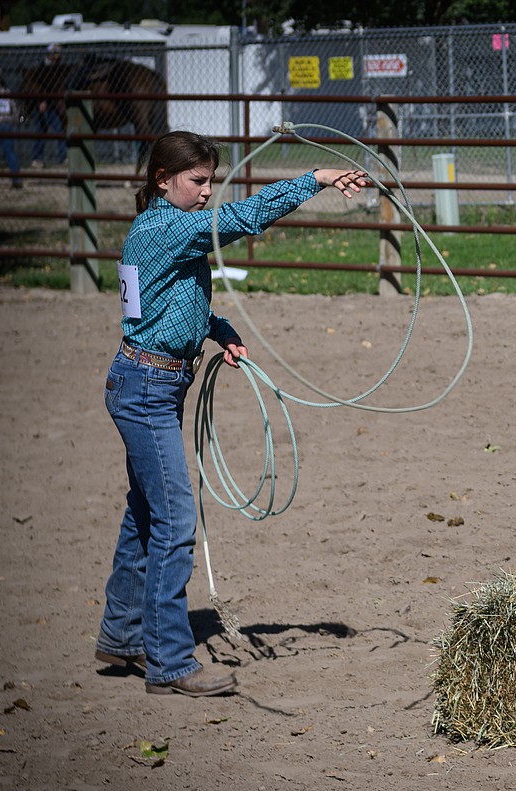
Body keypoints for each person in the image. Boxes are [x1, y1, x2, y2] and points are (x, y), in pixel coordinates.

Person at [97, 130, 370, 696]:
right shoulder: (166, 228)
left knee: (146, 514)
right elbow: (244, 219)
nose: (205, 192)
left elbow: (167, 301)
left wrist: (217, 330)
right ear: (163, 180)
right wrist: (314, 180)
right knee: (174, 521)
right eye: (197, 181)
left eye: (209, 181)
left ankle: (122, 635)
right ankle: (169, 661)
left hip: (149, 380)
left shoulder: (162, 232)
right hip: (148, 386)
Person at [30, 44, 67, 168]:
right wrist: (41, 101)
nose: (57, 57)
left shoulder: (57, 69)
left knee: (59, 131)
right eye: (55, 54)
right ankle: (37, 158)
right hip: (43, 105)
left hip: (54, 105)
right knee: (41, 131)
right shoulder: (42, 68)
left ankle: (64, 157)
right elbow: (38, 86)